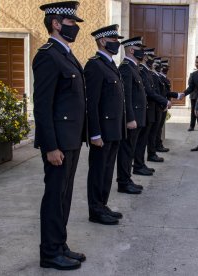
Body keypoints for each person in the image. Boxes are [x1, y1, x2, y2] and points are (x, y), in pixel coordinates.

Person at [33, 1, 86, 270]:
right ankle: (49, 252)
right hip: (58, 144)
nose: (75, 27)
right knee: (54, 196)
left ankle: (60, 243)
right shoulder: (47, 55)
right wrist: (50, 146)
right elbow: (42, 106)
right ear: (56, 23)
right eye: (71, 23)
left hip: (71, 139)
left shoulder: (66, 54)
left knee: (64, 196)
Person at [85, 24, 125, 226]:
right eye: (114, 40)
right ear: (102, 41)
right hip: (102, 131)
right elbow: (91, 103)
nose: (117, 43)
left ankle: (103, 204)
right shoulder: (94, 65)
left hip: (114, 130)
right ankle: (95, 210)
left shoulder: (110, 64)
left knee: (108, 170)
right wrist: (94, 133)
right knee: (98, 171)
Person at [116, 36, 147, 194]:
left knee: (130, 150)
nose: (143, 51)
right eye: (140, 48)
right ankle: (123, 182)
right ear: (131, 50)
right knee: (126, 151)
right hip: (132, 119)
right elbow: (126, 96)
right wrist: (130, 118)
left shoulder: (133, 67)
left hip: (138, 117)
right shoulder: (126, 68)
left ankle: (127, 179)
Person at [134, 49, 170, 174]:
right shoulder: (142, 71)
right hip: (147, 109)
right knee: (142, 140)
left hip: (151, 109)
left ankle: (141, 163)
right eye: (150, 57)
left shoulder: (147, 71)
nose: (152, 60)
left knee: (144, 139)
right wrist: (164, 101)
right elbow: (149, 92)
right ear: (145, 57)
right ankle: (138, 165)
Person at [155, 58, 182, 153]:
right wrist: (173, 97)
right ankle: (157, 145)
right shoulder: (159, 78)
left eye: (167, 67)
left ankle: (158, 144)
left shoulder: (164, 78)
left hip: (164, 104)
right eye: (164, 67)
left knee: (160, 127)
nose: (166, 68)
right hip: (160, 105)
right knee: (157, 128)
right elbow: (164, 93)